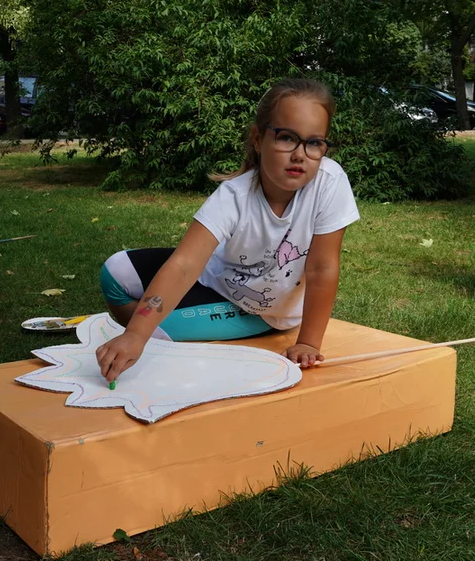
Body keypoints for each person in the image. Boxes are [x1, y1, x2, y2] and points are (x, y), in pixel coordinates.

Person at [95, 78, 360, 383]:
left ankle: (158, 340)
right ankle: (139, 340)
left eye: (314, 143)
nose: (300, 154)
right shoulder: (234, 195)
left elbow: (322, 267)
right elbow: (184, 265)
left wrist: (308, 342)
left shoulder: (329, 182)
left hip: (261, 311)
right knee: (115, 272)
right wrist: (136, 334)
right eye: (287, 138)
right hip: (217, 280)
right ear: (258, 139)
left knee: (161, 331)